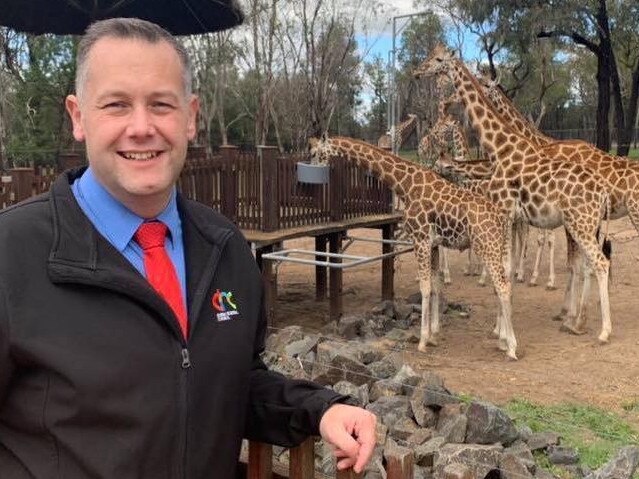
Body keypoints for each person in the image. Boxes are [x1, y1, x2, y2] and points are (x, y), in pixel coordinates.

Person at [0, 17, 376, 478]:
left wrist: (317, 409)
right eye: (116, 105)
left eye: (161, 105)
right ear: (79, 117)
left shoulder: (226, 249)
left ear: (191, 116)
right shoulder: (11, 255)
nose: (141, 127)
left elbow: (222, 384)